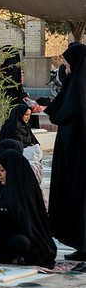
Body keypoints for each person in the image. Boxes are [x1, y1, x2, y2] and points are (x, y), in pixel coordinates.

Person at [0, 148, 56, 268]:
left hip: (27, 239)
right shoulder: (3, 186)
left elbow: (8, 207)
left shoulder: (26, 189)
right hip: (2, 236)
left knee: (22, 243)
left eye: (2, 170)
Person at [45, 42, 86, 261]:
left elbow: (72, 111)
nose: (66, 68)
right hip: (76, 151)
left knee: (78, 197)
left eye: (68, 63)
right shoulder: (77, 83)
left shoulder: (79, 87)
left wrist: (58, 115)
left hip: (77, 154)